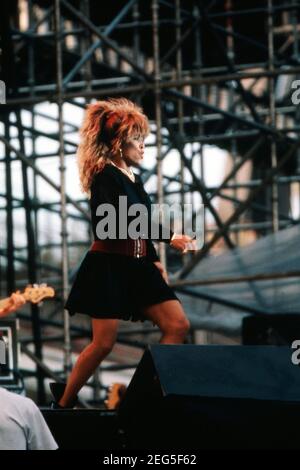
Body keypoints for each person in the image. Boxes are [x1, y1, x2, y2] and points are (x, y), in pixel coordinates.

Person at [51, 98, 196, 408]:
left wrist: (155, 259)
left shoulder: (135, 178)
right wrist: (170, 237)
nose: (143, 147)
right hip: (109, 265)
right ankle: (63, 402)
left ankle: (139, 399)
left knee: (178, 325)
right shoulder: (104, 177)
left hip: (139, 264)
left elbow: (144, 218)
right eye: (136, 140)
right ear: (118, 143)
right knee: (103, 343)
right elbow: (120, 220)